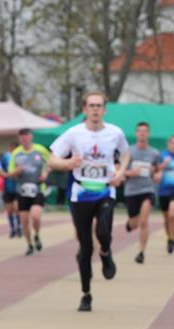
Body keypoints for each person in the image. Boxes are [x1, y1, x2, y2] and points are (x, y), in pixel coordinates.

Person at [48, 91, 129, 312]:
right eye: (91, 106)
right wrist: (67, 164)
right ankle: (86, 294)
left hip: (105, 190)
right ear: (84, 109)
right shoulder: (74, 133)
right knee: (85, 247)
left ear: (104, 110)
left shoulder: (115, 133)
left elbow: (126, 154)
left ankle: (106, 253)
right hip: (81, 193)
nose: (95, 109)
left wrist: (120, 172)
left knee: (103, 233)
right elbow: (52, 159)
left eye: (99, 106)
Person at [8, 128, 50, 255]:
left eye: (26, 135)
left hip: (37, 188)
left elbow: (51, 163)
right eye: (22, 136)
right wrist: (16, 172)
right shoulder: (16, 153)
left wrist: (45, 173)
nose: (24, 138)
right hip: (22, 191)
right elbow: (10, 173)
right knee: (24, 220)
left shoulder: (40, 150)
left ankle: (36, 234)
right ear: (19, 138)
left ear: (31, 137)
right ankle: (30, 245)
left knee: (36, 215)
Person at [124, 122, 161, 264]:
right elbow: (121, 171)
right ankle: (130, 223)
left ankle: (141, 252)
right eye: (139, 131)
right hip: (131, 191)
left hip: (147, 189)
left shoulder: (154, 153)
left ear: (148, 134)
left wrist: (156, 174)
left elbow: (157, 170)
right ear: (136, 134)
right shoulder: (129, 151)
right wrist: (131, 172)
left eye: (145, 131)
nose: (142, 133)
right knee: (135, 224)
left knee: (144, 221)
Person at [0, 143, 23, 238]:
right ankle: (12, 228)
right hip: (8, 188)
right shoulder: (5, 157)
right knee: (10, 210)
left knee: (17, 208)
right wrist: (7, 175)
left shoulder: (21, 157)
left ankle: (19, 227)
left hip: (19, 187)